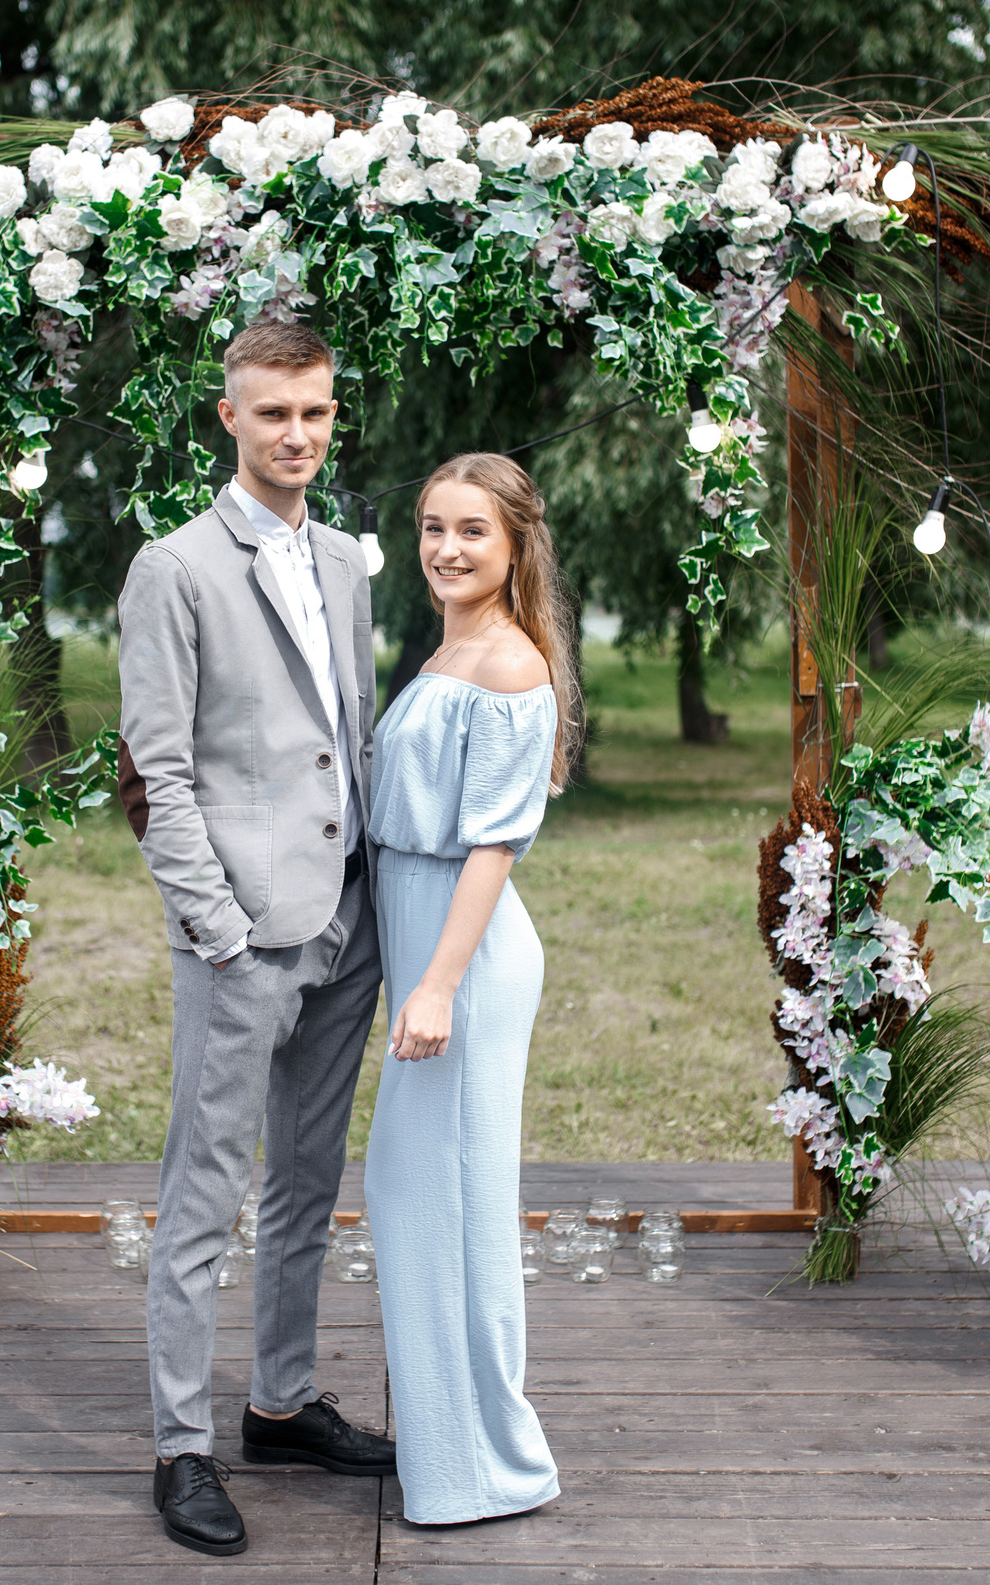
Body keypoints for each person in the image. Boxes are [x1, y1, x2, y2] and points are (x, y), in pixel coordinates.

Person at [115, 319, 396, 1558]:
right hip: (241, 935)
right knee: (203, 1196)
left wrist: (376, 895)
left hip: (345, 922)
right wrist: (218, 929)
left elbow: (353, 728)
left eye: (316, 413)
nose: (297, 434)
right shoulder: (171, 567)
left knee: (308, 1186)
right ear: (227, 416)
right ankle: (180, 1448)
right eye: (274, 412)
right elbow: (157, 774)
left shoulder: (344, 558)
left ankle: (279, 1403)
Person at [362, 452, 578, 1526]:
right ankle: (455, 1455)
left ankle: (486, 1465)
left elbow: (492, 842)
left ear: (514, 545)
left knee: (442, 1203)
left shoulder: (509, 664)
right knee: (421, 1202)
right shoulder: (454, 644)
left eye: (472, 532)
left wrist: (436, 986)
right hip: (424, 938)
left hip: (468, 957)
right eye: (432, 526)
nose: (447, 548)